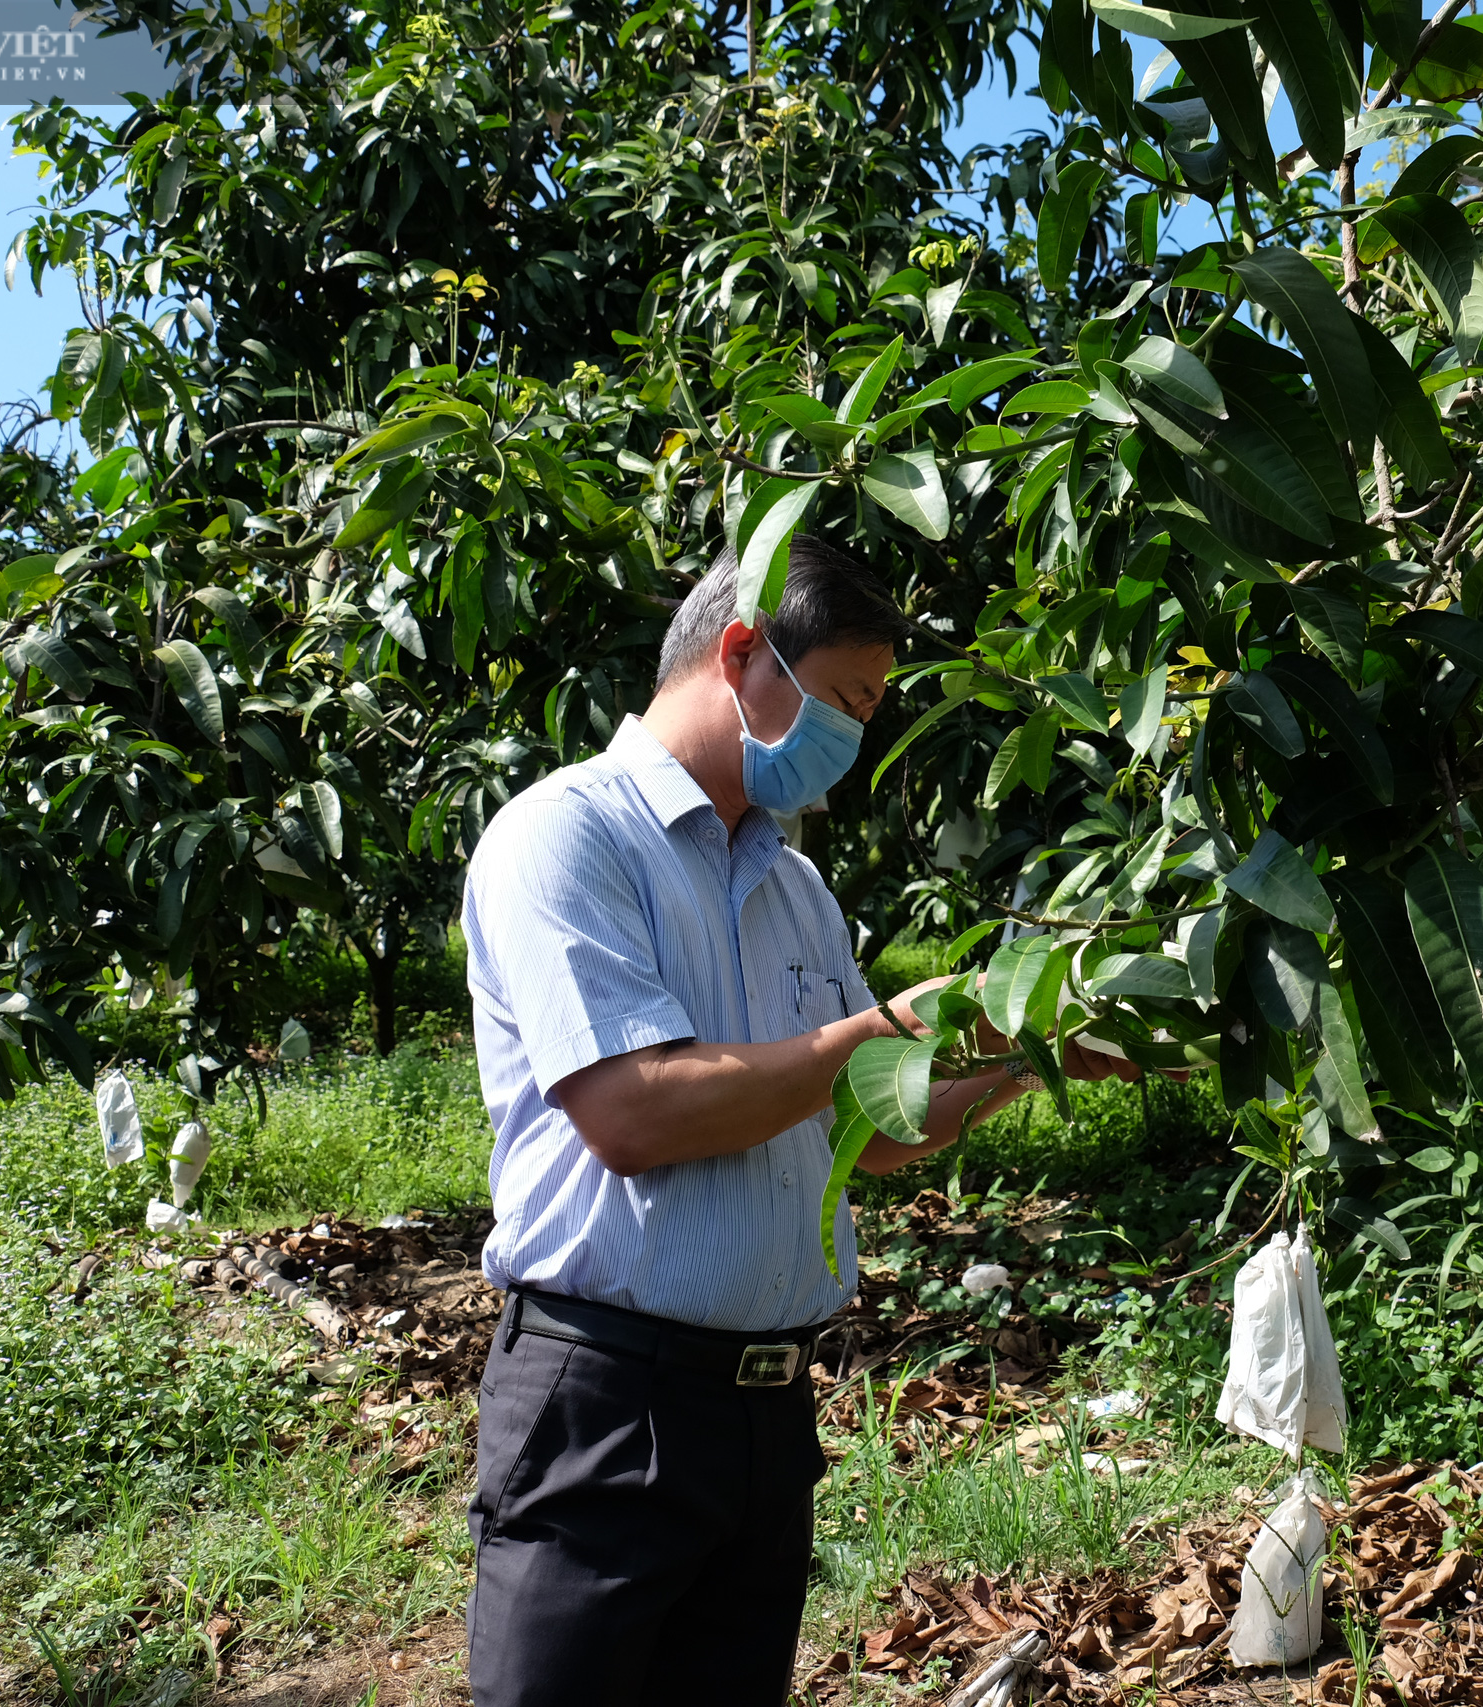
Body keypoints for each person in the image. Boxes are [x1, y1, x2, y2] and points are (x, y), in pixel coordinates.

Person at [458, 534, 1133, 1704]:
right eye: (845, 701)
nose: (852, 741)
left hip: (766, 1416)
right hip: (605, 1402)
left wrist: (1034, 1057)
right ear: (739, 654)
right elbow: (631, 1111)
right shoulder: (567, 837)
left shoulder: (792, 885)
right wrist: (881, 1033)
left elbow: (868, 1133)